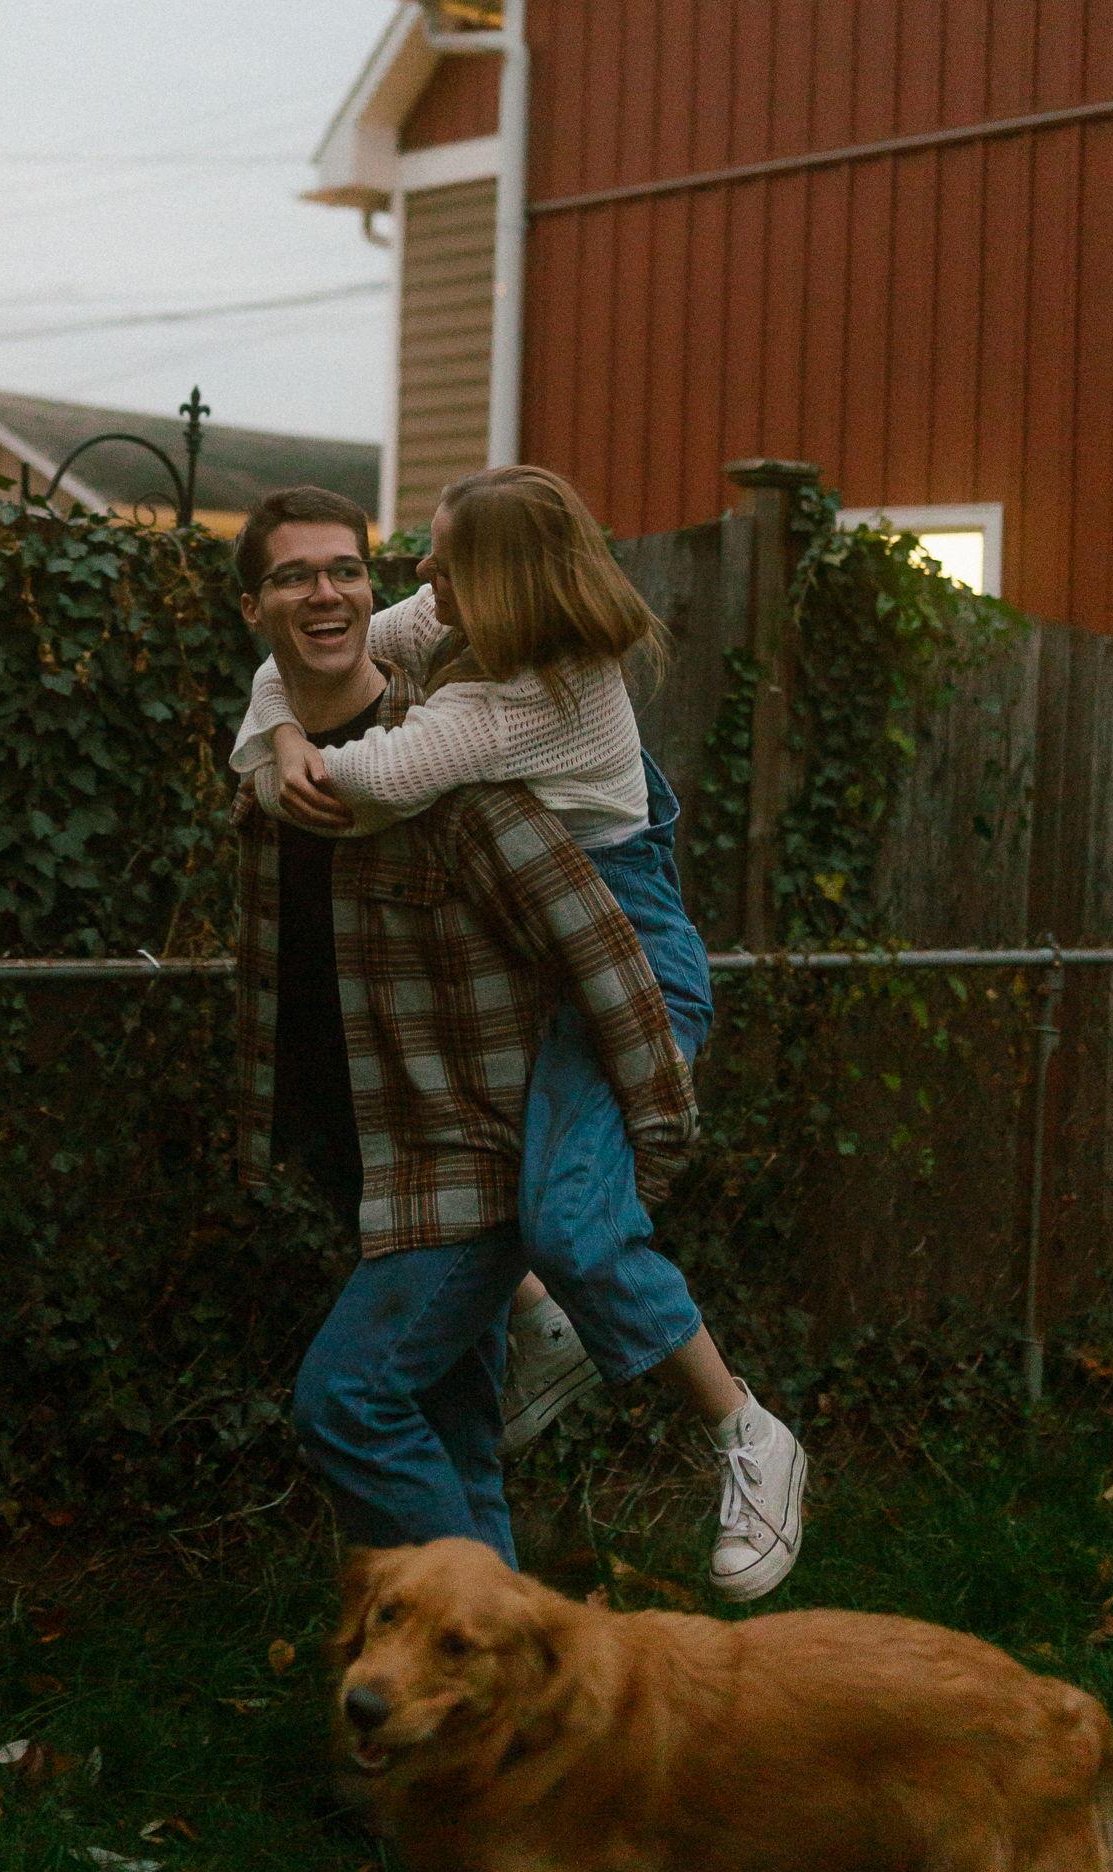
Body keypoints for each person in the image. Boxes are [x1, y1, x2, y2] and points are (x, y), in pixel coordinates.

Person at [232, 468, 805, 1600]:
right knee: (473, 1371)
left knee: (569, 1222)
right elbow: (292, 665)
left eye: (440, 560)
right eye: (297, 579)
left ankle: (744, 1429)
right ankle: (541, 1358)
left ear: (496, 580)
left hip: (627, 941)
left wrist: (280, 757)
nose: (419, 576)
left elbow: (370, 780)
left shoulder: (515, 706)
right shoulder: (457, 630)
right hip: (530, 990)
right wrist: (279, 724)